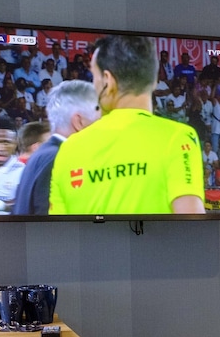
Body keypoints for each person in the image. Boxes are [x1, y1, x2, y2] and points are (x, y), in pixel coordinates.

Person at [49, 35, 205, 215]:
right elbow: (191, 222)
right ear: (154, 81)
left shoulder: (69, 149)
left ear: (107, 81)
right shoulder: (178, 138)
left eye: (94, 77)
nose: (94, 85)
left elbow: (59, 228)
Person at [12, 81, 100, 215]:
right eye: (98, 120)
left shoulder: (43, 153)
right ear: (79, 122)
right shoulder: (61, 158)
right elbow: (49, 221)